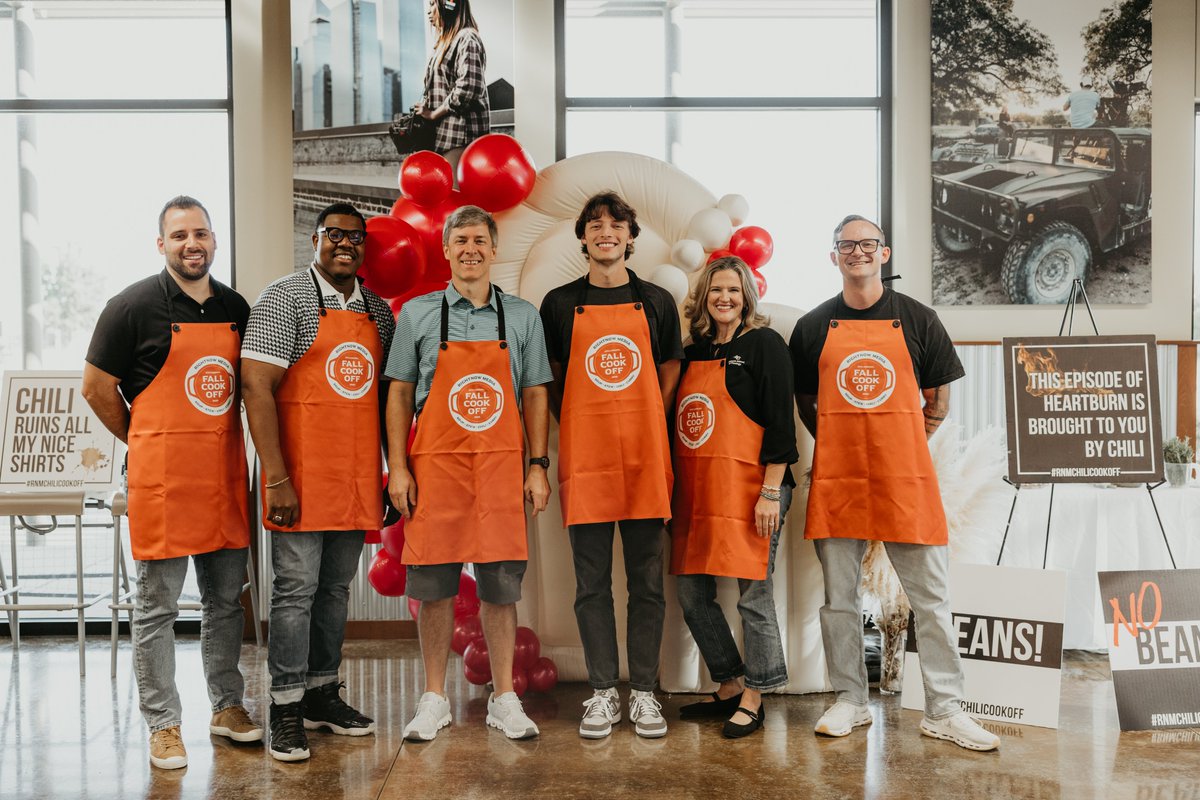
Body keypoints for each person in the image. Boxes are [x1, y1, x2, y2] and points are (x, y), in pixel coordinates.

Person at [789, 215, 1000, 752]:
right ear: (834, 257)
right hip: (838, 480)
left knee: (932, 600)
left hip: (905, 479)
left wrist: (901, 444)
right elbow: (807, 403)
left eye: (868, 244)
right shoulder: (813, 326)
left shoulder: (919, 319)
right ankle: (851, 700)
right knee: (839, 601)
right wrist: (837, 443)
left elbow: (938, 402)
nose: (857, 252)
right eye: (846, 245)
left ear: (884, 254)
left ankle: (945, 709)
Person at [81, 195, 261, 770]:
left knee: (225, 602)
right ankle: (163, 724)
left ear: (214, 240)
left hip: (223, 472)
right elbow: (95, 388)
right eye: (180, 235)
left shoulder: (235, 307)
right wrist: (142, 438)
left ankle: (227, 707)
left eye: (201, 233)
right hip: (162, 477)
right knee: (155, 606)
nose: (192, 244)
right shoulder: (130, 307)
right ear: (161, 244)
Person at [385, 205, 552, 741]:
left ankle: (505, 699)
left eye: (480, 240)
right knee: (434, 586)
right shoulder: (417, 315)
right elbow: (399, 394)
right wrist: (398, 468)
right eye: (461, 240)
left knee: (500, 588)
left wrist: (537, 465)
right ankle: (433, 698)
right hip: (435, 470)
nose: (471, 249)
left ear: (494, 248)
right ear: (446, 249)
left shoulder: (522, 316)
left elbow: (535, 394)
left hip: (501, 471)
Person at [241, 202, 396, 762]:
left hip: (355, 475)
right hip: (299, 476)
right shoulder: (285, 298)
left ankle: (321, 693)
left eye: (356, 237)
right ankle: (285, 705)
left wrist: (391, 472)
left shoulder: (378, 312)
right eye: (335, 234)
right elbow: (255, 388)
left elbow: (389, 399)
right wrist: (277, 478)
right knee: (295, 591)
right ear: (315, 239)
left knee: (334, 591)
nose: (345, 244)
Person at [539, 191, 682, 739]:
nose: (606, 232)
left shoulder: (657, 301)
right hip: (587, 461)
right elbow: (552, 375)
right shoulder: (558, 303)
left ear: (630, 236)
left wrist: (649, 415)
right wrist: (574, 419)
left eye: (616, 224)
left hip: (646, 459)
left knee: (646, 583)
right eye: (595, 224)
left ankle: (643, 692)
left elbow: (669, 366)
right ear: (583, 237)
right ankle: (602, 692)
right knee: (591, 584)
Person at [671, 256, 798, 739]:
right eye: (716, 290)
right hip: (698, 490)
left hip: (754, 489)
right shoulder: (692, 353)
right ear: (704, 297)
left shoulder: (765, 344)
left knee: (753, 595)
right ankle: (729, 682)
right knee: (691, 593)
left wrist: (770, 493)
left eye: (733, 290)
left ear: (747, 297)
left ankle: (756, 696)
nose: (724, 298)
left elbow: (780, 425)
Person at [419, 0, 489, 177]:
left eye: (433, 4)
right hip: (443, 137)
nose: (429, 11)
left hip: (460, 136)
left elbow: (469, 87)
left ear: (448, 6)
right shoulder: (444, 43)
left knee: (455, 193)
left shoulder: (467, 38)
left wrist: (433, 114)